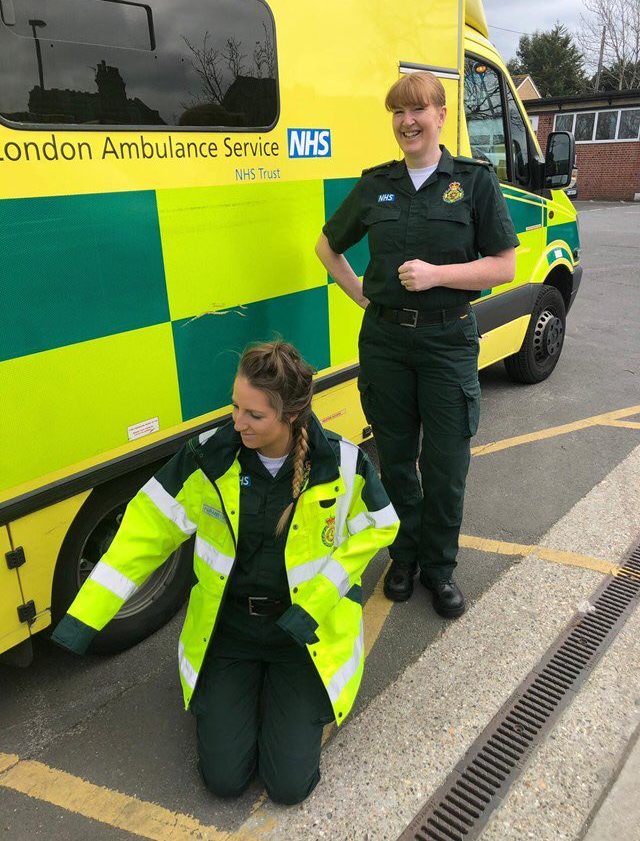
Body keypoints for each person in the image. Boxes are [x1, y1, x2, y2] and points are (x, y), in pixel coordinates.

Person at [51, 341, 398, 805]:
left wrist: (314, 604)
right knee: (224, 781)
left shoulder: (342, 463)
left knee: (288, 787)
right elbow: (143, 533)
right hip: (229, 630)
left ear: (291, 414)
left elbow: (379, 526)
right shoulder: (206, 458)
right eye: (235, 406)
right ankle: (248, 693)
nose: (238, 422)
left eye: (254, 415)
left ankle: (277, 697)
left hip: (302, 634)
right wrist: (84, 618)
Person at [315, 71, 519, 616]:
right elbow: (327, 247)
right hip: (385, 342)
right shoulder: (376, 184)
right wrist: (364, 296)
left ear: (441, 116)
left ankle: (439, 568)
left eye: (417, 110)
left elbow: (504, 265)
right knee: (397, 460)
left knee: (446, 464)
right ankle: (403, 558)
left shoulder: (474, 181)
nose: (407, 122)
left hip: (448, 340)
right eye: (398, 112)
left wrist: (436, 276)